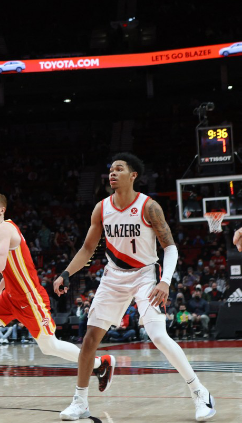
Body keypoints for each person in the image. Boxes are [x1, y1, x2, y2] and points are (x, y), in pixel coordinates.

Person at [54, 153, 216, 421]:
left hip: (144, 275)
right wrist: (66, 273)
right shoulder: (101, 208)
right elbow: (87, 248)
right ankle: (80, 401)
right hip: (113, 276)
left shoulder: (149, 207)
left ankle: (200, 393)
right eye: (111, 170)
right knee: (89, 340)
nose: (112, 173)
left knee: (158, 336)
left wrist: (165, 281)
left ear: (133, 175)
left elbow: (171, 247)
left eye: (119, 169)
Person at [0, 193, 113, 398]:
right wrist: (0, 288)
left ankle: (100, 364)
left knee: (49, 346)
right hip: (10, 297)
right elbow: (9, 266)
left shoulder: (3, 229)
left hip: (29, 298)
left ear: (2, 210)